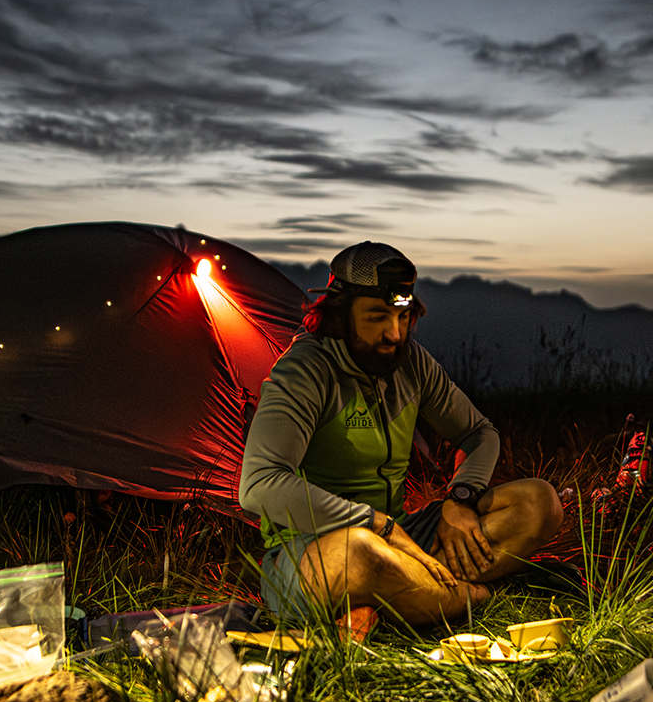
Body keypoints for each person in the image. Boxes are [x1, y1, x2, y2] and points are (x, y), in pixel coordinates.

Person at [238, 241, 564, 628]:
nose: (394, 333)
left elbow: (480, 433)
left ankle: (400, 596)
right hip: (314, 548)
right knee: (359, 553)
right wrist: (376, 524)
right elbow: (258, 485)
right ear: (340, 315)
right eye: (377, 316)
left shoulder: (412, 364)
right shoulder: (304, 371)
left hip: (403, 537)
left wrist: (460, 499)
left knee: (537, 503)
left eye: (403, 315)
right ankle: (460, 597)